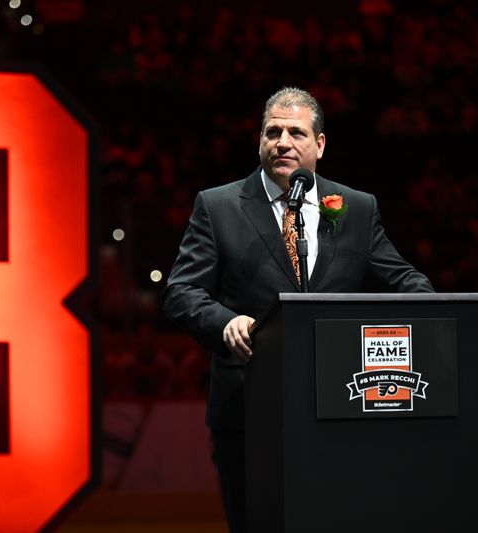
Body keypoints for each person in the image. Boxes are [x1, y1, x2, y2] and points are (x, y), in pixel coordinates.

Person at [162, 87, 433, 532]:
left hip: (340, 406)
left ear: (320, 145)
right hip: (249, 409)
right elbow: (181, 291)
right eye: (273, 132)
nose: (282, 141)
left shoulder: (356, 208)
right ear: (260, 141)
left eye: (296, 132)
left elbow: (403, 279)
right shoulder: (218, 206)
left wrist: (436, 315)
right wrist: (226, 321)